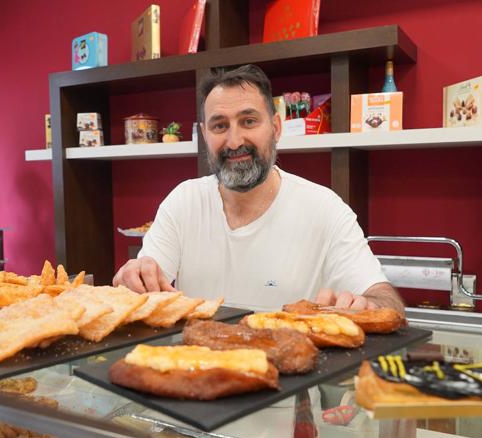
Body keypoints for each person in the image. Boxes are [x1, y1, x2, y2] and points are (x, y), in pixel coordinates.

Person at [113, 64, 404, 315]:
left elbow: (387, 301)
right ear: (204, 135)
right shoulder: (183, 202)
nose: (235, 140)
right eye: (219, 126)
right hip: (200, 372)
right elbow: (142, 290)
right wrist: (134, 279)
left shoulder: (325, 209)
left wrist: (367, 306)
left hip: (292, 376)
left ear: (276, 128)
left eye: (249, 121)